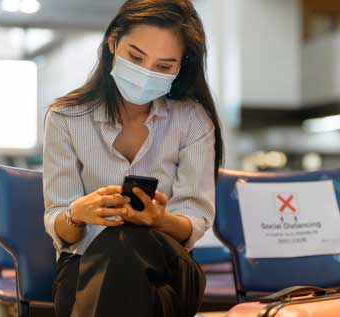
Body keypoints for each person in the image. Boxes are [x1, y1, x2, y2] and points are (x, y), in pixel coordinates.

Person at [42, 0, 224, 315]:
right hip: (85, 267)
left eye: (164, 66)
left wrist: (160, 221)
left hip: (169, 267)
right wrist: (78, 214)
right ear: (113, 42)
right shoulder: (66, 117)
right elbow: (60, 225)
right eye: (135, 57)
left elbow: (195, 221)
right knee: (121, 257)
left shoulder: (193, 121)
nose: (145, 73)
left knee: (123, 241)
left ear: (180, 67)